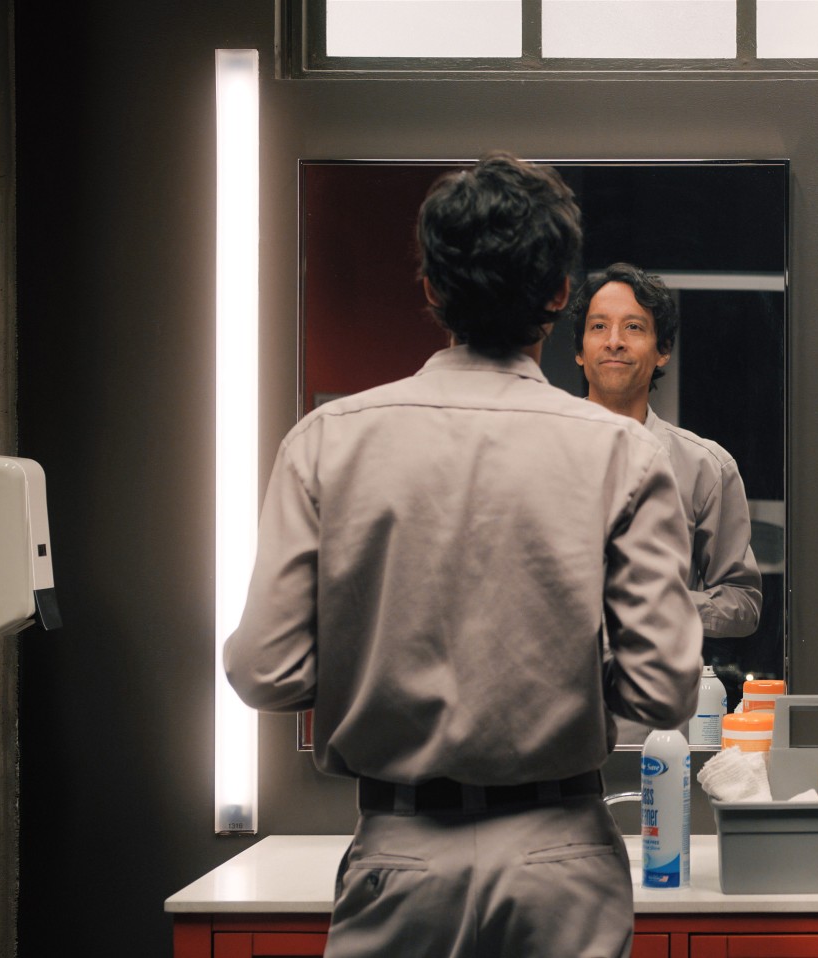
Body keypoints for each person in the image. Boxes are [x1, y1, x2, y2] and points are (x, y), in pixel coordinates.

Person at [223, 153, 703, 958]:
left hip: (401, 851)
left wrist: (368, 653)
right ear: (559, 297)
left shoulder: (327, 443)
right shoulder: (625, 454)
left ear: (432, 290)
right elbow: (665, 690)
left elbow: (263, 670)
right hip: (563, 863)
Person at [571, 262, 763, 640]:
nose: (614, 341)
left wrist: (660, 605)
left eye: (633, 327)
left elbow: (743, 602)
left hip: (656, 689)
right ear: (579, 350)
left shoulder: (707, 467)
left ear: (663, 351)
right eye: (598, 326)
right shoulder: (539, 453)